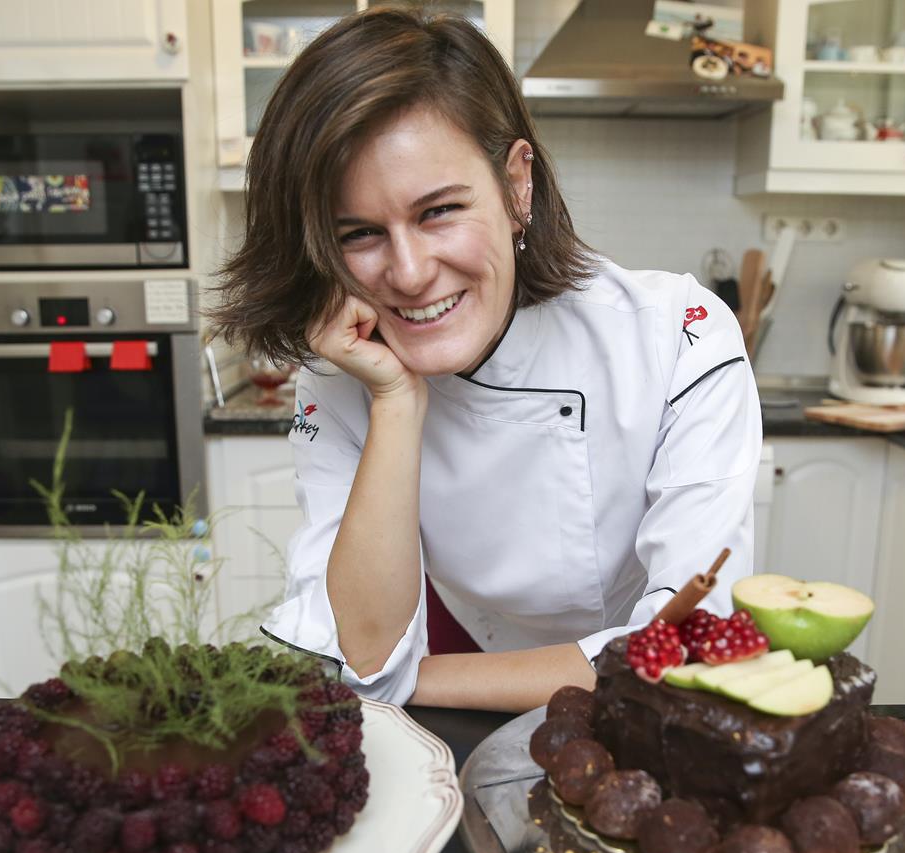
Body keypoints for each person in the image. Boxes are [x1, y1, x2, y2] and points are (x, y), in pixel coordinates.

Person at [209, 9, 762, 713]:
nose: (408, 274)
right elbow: (365, 648)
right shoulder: (341, 376)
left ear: (515, 185)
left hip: (641, 717)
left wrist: (413, 681)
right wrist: (396, 404)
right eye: (359, 233)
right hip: (461, 682)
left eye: (438, 211)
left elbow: (686, 643)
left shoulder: (677, 337)